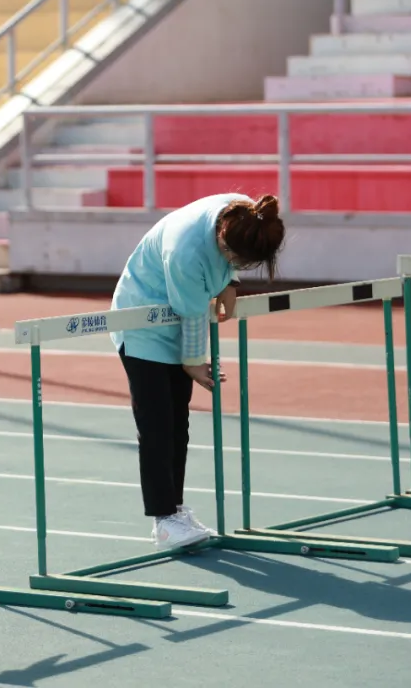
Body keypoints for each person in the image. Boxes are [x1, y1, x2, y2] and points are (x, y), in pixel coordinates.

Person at [109, 193, 285, 550]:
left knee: (179, 426)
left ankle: (174, 508)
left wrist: (230, 282)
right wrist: (193, 364)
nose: (235, 263)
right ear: (222, 236)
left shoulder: (246, 213)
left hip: (176, 325)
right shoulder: (184, 250)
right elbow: (191, 314)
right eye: (234, 259)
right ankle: (163, 519)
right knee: (157, 426)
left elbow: (216, 277)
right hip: (142, 326)